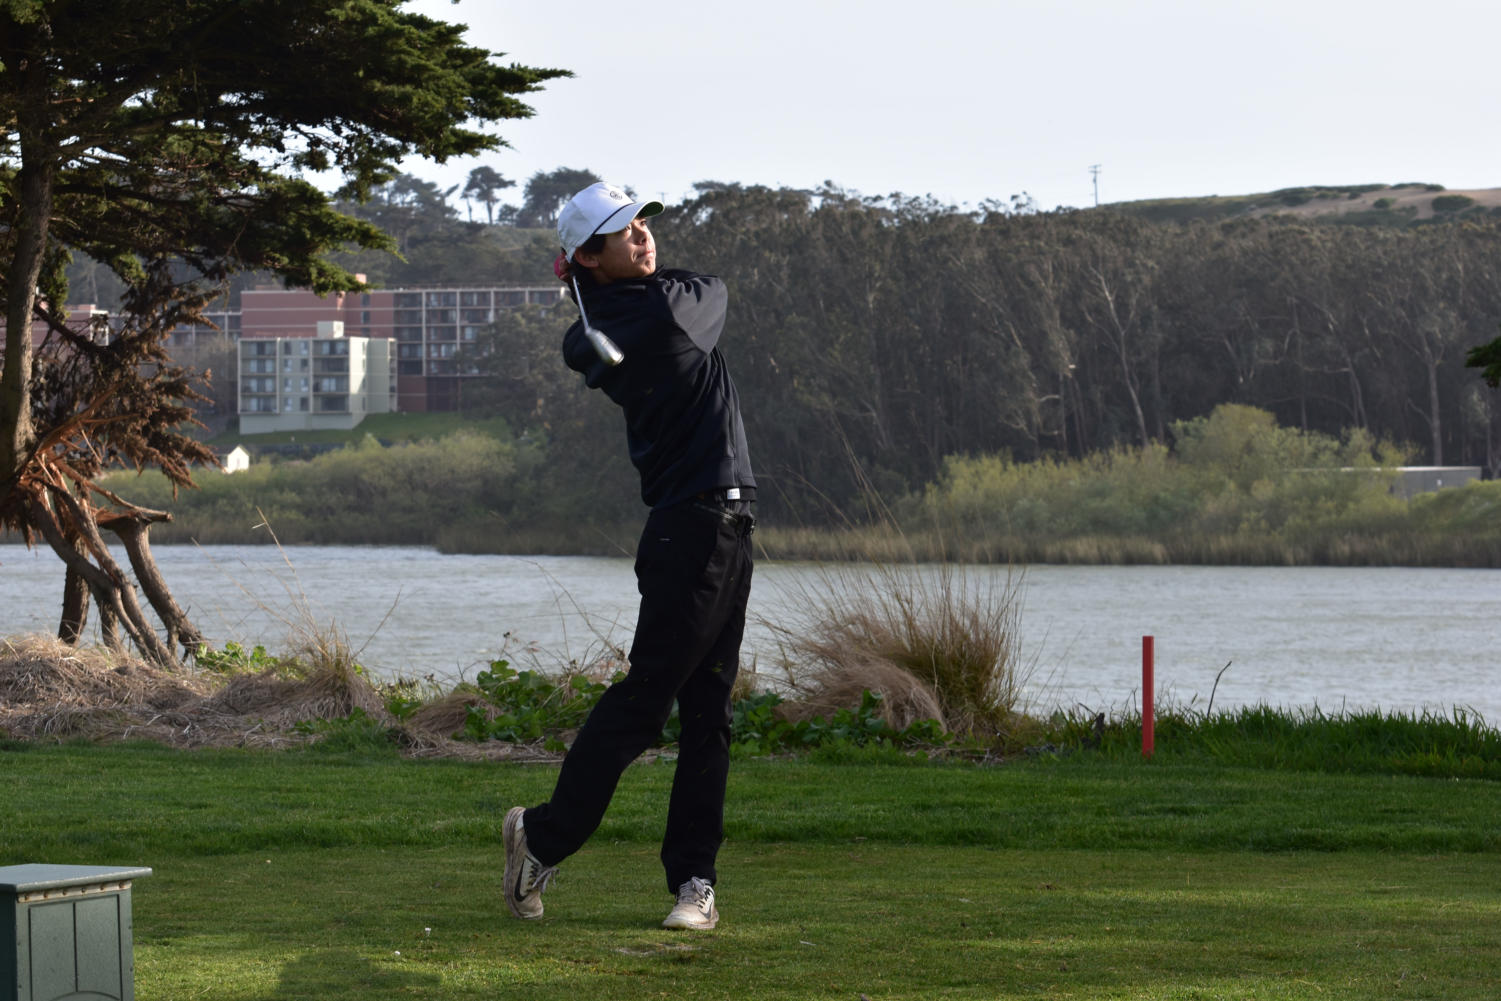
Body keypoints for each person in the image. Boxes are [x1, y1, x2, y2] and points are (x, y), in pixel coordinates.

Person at [503, 181, 757, 930]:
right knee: (649, 701)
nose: (643, 236)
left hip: (726, 522)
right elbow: (711, 288)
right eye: (624, 232)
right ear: (589, 256)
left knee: (707, 713)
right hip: (694, 526)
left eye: (643, 223)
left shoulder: (609, 316)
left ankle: (694, 882)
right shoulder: (663, 313)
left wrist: (588, 274)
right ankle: (542, 838)